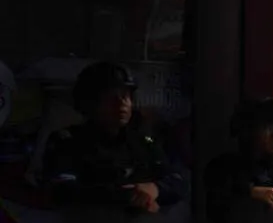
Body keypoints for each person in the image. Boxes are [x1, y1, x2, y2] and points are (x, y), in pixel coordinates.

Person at [44, 61, 188, 210]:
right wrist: (125, 196)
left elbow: (177, 181)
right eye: (111, 97)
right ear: (90, 103)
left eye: (126, 95)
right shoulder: (68, 142)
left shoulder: (142, 140)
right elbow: (62, 192)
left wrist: (155, 189)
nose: (122, 103)